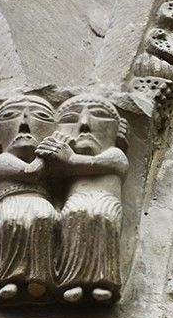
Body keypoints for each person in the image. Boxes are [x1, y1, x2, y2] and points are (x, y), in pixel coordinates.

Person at [36, 94, 129, 304]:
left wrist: (67, 158)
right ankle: (73, 279)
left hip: (104, 201)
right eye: (70, 119)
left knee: (102, 218)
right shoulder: (64, 159)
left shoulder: (115, 154)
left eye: (99, 116)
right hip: (74, 204)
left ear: (120, 130)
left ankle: (103, 280)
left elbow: (92, 163)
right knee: (73, 218)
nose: (84, 124)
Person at [0, 95, 58, 304]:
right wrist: (49, 153)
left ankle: (40, 276)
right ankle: (8, 277)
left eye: (41, 117)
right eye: (10, 116)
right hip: (13, 204)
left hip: (41, 203)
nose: (24, 125)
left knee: (44, 220)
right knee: (12, 224)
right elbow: (30, 172)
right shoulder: (1, 160)